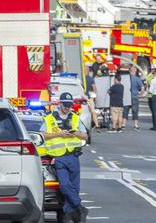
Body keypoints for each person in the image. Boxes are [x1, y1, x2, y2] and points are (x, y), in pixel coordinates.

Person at [40, 93, 89, 223]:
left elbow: (85, 136)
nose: (68, 108)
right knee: (65, 185)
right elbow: (42, 135)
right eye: (66, 105)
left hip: (73, 156)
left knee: (74, 187)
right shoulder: (49, 118)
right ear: (60, 104)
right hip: (59, 157)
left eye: (69, 105)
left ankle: (68, 216)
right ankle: (79, 207)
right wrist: (58, 134)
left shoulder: (75, 118)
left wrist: (75, 133)